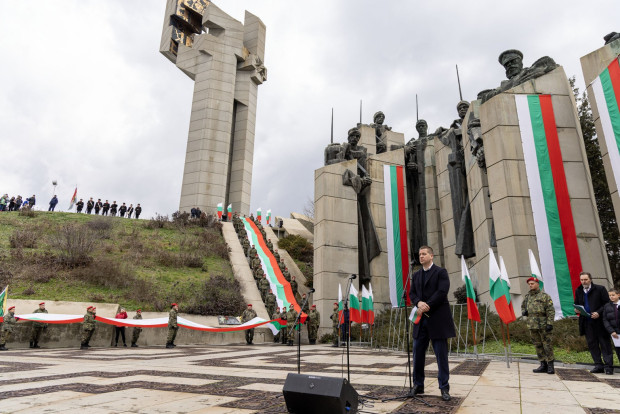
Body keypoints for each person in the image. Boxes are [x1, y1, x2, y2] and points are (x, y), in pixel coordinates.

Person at [409, 246, 455, 401]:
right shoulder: (416, 275)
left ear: (431, 256)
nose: (421, 256)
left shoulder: (441, 272)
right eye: (419, 254)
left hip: (437, 320)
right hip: (421, 321)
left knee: (441, 355)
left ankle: (444, 387)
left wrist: (426, 305)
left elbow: (442, 292)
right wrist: (418, 302)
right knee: (418, 354)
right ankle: (418, 385)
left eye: (424, 254)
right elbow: (412, 293)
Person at [575, 271, 613, 374]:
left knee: (605, 344)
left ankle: (609, 367)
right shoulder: (578, 290)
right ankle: (598, 365)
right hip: (587, 322)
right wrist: (577, 310)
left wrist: (598, 312)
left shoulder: (600, 289)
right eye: (582, 280)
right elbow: (577, 303)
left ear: (590, 279)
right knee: (592, 344)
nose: (584, 282)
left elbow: (607, 303)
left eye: (585, 279)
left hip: (600, 322)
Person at [521, 277, 555, 374]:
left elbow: (550, 310)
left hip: (543, 324)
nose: (530, 285)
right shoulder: (527, 297)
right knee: (538, 345)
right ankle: (543, 364)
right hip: (532, 324)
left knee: (547, 344)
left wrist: (550, 323)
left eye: (532, 283)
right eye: (529, 284)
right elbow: (523, 306)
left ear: (537, 284)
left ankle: (550, 365)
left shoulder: (545, 296)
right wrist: (524, 312)